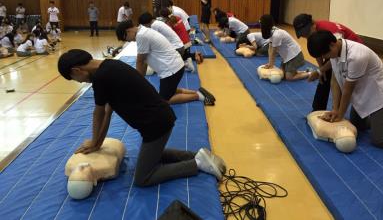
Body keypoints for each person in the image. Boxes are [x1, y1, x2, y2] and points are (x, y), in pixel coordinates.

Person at [57, 49, 226, 186]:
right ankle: (197, 155)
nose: (79, 82)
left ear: (76, 70)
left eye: (74, 79)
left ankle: (196, 164)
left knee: (142, 178)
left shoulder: (101, 78)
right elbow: (108, 111)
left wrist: (94, 141)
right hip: (160, 119)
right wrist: (97, 143)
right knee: (153, 155)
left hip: (156, 125)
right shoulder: (110, 65)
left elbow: (98, 113)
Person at [307, 30, 383, 148]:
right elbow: (335, 81)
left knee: (380, 141)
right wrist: (335, 109)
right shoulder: (334, 50)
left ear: (332, 44)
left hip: (379, 95)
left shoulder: (356, 56)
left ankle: (381, 123)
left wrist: (340, 115)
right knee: (358, 125)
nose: (324, 58)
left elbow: (347, 90)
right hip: (362, 93)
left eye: (324, 55)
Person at [116, 18, 215, 105]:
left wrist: (137, 83)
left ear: (128, 31)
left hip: (171, 70)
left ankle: (198, 96)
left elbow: (140, 61)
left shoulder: (141, 36)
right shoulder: (143, 30)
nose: (130, 41)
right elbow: (144, 62)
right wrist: (140, 80)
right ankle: (197, 92)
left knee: (165, 100)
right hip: (175, 66)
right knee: (171, 90)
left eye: (127, 39)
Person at [293, 13, 363, 111]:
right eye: (303, 35)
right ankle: (317, 110)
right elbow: (318, 52)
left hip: (351, 54)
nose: (306, 36)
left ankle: (338, 111)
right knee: (324, 76)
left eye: (307, 33)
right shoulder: (313, 33)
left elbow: (336, 56)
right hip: (335, 52)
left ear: (313, 25)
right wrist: (322, 70)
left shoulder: (332, 33)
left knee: (340, 81)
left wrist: (320, 71)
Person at [260, 14, 309, 81]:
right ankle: (304, 72)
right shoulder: (271, 31)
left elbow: (274, 52)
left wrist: (271, 65)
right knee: (282, 74)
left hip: (295, 56)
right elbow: (270, 48)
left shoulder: (276, 34)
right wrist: (269, 63)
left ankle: (309, 73)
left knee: (289, 77)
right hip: (287, 57)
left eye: (260, 23)